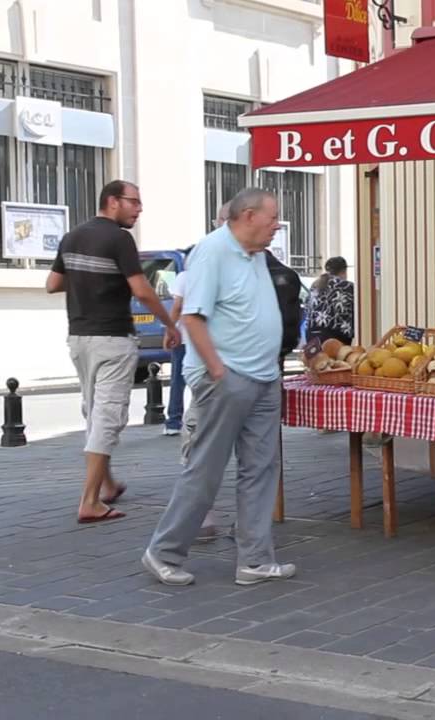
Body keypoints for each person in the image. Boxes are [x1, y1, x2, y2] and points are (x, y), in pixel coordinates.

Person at [142, 188, 295, 587]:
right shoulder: (212, 252)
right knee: (206, 469)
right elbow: (193, 318)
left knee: (261, 469)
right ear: (248, 216)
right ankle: (163, 552)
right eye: (272, 217)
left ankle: (255, 560)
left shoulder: (255, 254)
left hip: (264, 377)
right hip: (228, 378)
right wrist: (217, 370)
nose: (277, 225)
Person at [46, 180, 179, 524]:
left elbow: (52, 284)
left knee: (94, 411)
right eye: (134, 202)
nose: (139, 209)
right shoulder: (119, 239)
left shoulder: (72, 237)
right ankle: (90, 501)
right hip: (113, 337)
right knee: (109, 416)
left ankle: (107, 484)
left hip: (79, 337)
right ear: (112, 201)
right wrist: (170, 324)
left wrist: (86, 282)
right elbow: (143, 290)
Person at [164, 247, 194, 437]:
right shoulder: (212, 276)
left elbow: (177, 306)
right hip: (205, 338)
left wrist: (170, 330)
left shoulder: (184, 277)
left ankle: (174, 421)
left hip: (184, 336)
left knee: (178, 380)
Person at [305, 256, 354, 346]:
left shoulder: (315, 285)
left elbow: (307, 308)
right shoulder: (348, 286)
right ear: (344, 271)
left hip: (312, 334)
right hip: (338, 335)